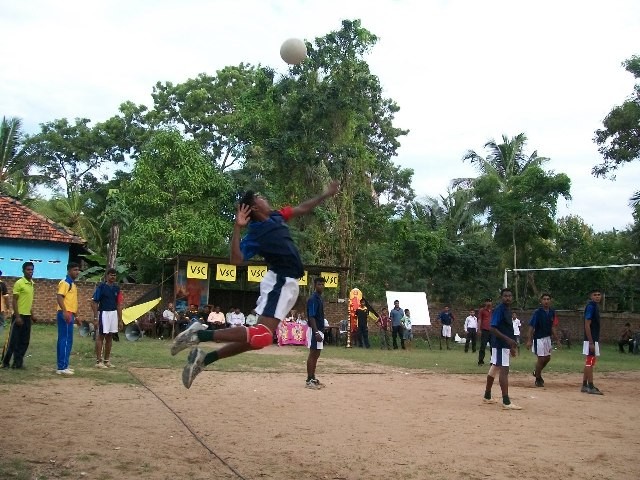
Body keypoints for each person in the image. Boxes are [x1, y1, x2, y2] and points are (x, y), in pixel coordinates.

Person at [171, 180, 339, 388]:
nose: (265, 198)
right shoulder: (256, 233)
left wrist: (326, 194)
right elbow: (236, 260)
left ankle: (204, 359)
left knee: (257, 340)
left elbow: (302, 208)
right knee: (262, 336)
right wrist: (237, 227)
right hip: (280, 281)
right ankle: (198, 334)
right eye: (260, 197)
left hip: (288, 285)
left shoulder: (277, 216)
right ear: (256, 207)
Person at [482, 288, 521, 410]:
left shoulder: (508, 310)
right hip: (500, 344)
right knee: (504, 370)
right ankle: (506, 401)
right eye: (505, 296)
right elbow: (492, 328)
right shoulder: (500, 309)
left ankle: (487, 395)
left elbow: (508, 329)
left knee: (495, 367)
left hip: (503, 344)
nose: (508, 298)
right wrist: (508, 340)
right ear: (501, 297)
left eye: (509, 296)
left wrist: (511, 345)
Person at [2, 262, 35, 369]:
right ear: (23, 271)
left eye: (31, 270)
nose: (30, 272)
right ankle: (5, 363)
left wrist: (32, 315)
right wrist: (17, 317)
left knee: (24, 341)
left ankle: (17, 363)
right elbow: (14, 301)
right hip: (18, 316)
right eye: (28, 270)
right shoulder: (19, 283)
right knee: (12, 341)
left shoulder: (32, 284)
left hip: (27, 316)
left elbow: (28, 302)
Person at [91, 268, 123, 368]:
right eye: (111, 275)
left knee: (110, 336)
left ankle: (107, 360)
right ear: (107, 276)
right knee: (101, 336)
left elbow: (119, 304)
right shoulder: (101, 287)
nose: (113, 277)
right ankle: (98, 361)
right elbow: (94, 302)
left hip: (113, 313)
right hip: (104, 313)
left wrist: (120, 320)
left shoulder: (117, 289)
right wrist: (95, 318)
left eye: (114, 275)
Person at [526, 293, 559, 387]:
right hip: (539, 338)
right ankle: (538, 378)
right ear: (541, 301)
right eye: (544, 299)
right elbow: (531, 326)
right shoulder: (537, 312)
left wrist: (557, 339)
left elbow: (553, 327)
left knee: (547, 358)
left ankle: (537, 371)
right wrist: (529, 340)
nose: (546, 301)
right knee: (541, 358)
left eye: (548, 299)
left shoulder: (552, 312)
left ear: (550, 301)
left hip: (547, 337)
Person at [56, 262, 81, 375]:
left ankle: (64, 365)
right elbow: (59, 297)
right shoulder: (65, 283)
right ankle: (62, 367)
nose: (77, 272)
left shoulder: (73, 284)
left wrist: (77, 316)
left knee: (67, 339)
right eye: (75, 270)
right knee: (65, 339)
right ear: (69, 271)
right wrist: (65, 311)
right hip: (65, 314)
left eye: (78, 270)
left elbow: (72, 302)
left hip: (70, 313)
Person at [306, 277, 327, 389]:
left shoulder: (320, 298)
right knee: (313, 353)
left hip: (320, 329)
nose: (321, 286)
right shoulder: (313, 299)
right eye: (319, 284)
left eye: (323, 284)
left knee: (317, 354)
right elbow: (311, 316)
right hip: (315, 330)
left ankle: (313, 377)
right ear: (315, 285)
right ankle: (309, 380)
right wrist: (316, 332)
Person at [582, 289, 604, 395]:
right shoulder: (591, 307)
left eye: (599, 295)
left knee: (589, 362)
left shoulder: (594, 306)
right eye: (595, 295)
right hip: (590, 339)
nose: (597, 296)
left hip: (592, 339)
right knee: (589, 362)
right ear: (591, 296)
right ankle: (590, 386)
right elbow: (587, 324)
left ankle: (584, 385)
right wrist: (591, 342)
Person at [477, 298, 492, 366]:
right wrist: (479, 329)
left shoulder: (492, 311)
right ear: (485, 303)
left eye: (490, 302)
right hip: (484, 330)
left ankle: (492, 361)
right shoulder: (482, 310)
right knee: (483, 346)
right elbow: (480, 319)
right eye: (487, 301)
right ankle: (480, 361)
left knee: (493, 347)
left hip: (492, 330)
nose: (489, 303)